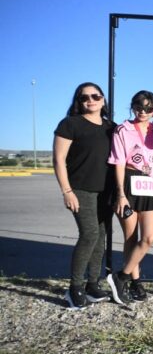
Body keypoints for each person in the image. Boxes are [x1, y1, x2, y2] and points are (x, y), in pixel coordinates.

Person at [53, 82, 115, 308]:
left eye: (95, 96)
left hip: (105, 192)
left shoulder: (111, 127)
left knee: (100, 239)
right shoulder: (70, 124)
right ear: (78, 101)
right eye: (84, 97)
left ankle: (92, 285)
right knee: (89, 235)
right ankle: (75, 288)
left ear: (103, 99)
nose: (90, 100)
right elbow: (59, 159)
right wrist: (67, 191)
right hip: (80, 189)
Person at [106, 91, 153, 304]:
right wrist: (121, 194)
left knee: (148, 238)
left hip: (149, 185)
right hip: (129, 183)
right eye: (139, 107)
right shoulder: (123, 129)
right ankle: (135, 282)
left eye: (149, 108)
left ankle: (120, 277)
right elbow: (119, 162)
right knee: (131, 238)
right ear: (133, 107)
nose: (143, 111)